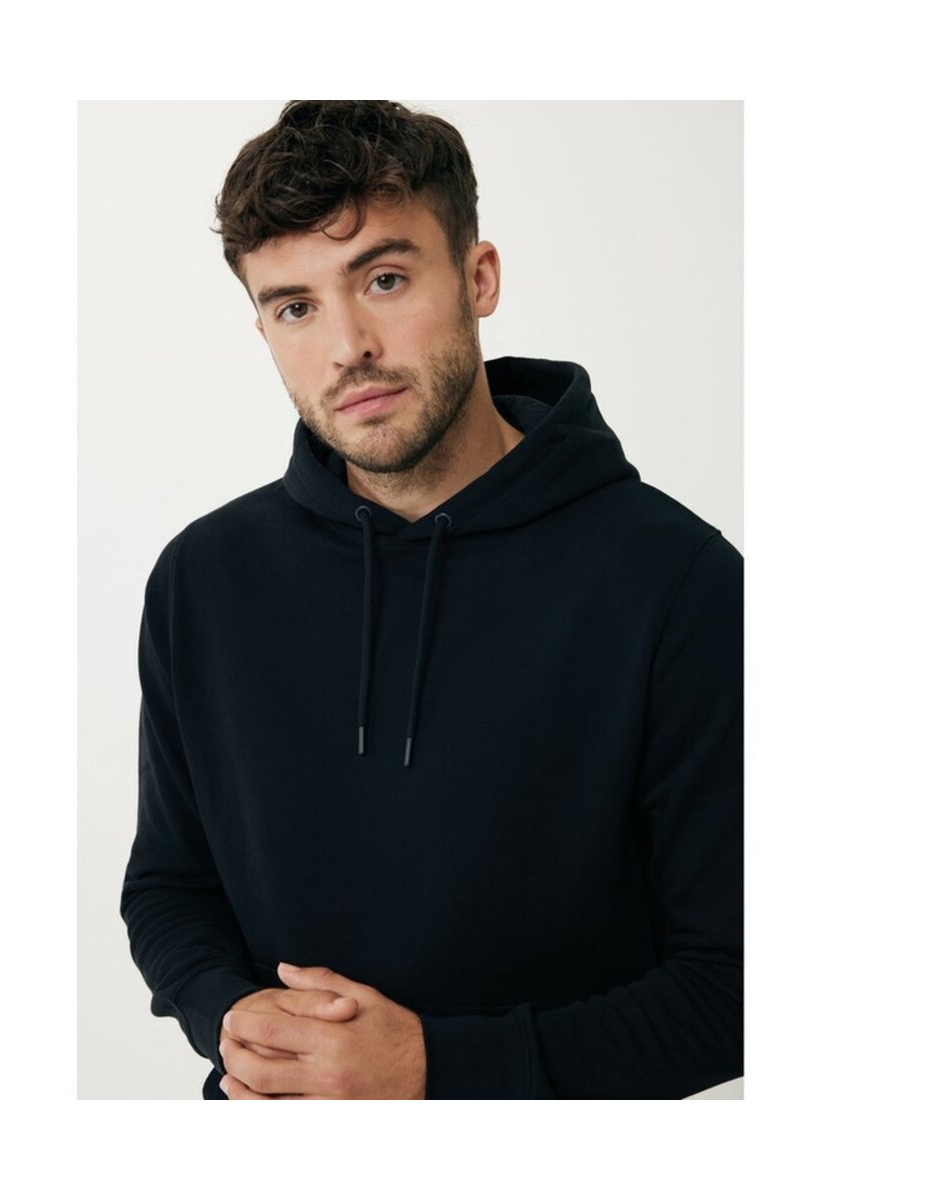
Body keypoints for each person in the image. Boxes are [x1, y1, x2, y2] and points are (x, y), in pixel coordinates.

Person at [120, 100, 743, 1099]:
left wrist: (432, 1069)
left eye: (385, 279)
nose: (347, 346)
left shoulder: (679, 583)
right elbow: (168, 885)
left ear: (478, 277)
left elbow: (736, 988)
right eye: (295, 307)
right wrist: (227, 1015)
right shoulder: (204, 578)